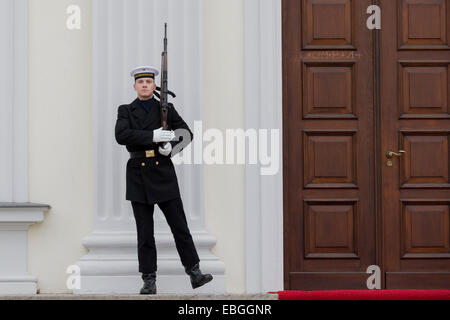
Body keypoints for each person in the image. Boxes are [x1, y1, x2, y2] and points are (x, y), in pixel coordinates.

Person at [115, 66, 213, 295]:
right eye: (141, 82)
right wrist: (152, 136)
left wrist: (172, 148)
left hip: (163, 172)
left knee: (180, 226)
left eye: (149, 82)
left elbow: (186, 133)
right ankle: (149, 279)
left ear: (154, 85)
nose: (145, 85)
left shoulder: (166, 108)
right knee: (145, 232)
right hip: (138, 173)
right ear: (135, 86)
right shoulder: (126, 110)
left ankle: (194, 272)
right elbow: (121, 135)